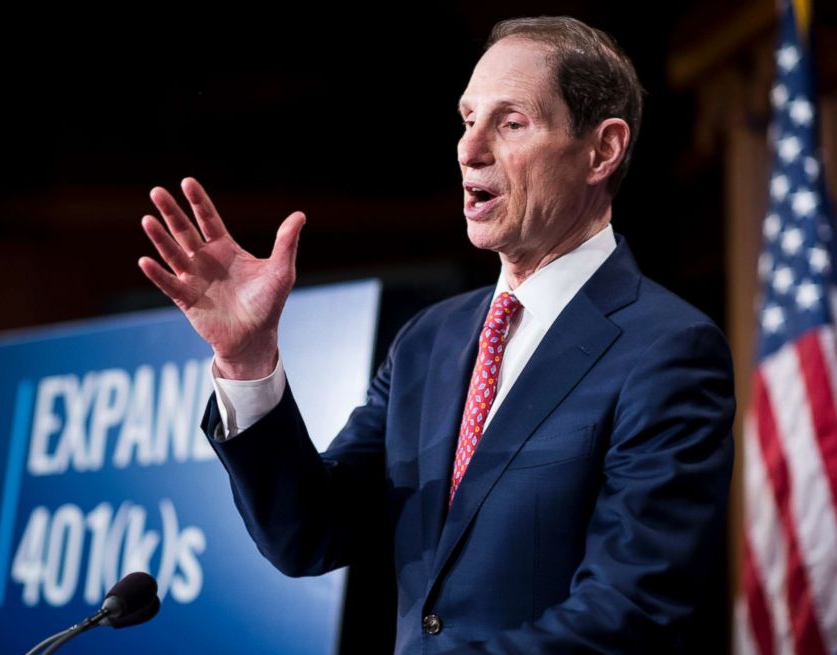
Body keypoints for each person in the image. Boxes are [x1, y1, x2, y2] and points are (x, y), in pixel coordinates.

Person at [138, 16, 735, 654]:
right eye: (466, 118)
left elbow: (629, 611)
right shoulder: (430, 340)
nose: (468, 149)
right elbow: (309, 533)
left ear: (603, 149)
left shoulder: (667, 351)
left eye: (510, 123)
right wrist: (248, 359)